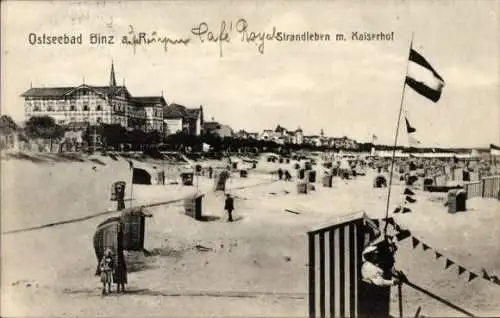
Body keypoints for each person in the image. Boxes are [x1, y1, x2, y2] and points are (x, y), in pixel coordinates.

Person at [359, 245, 405, 318]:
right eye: (375, 254)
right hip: (370, 294)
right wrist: (393, 282)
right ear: (370, 255)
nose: (377, 255)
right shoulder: (368, 266)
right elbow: (379, 282)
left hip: (374, 293)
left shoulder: (373, 265)